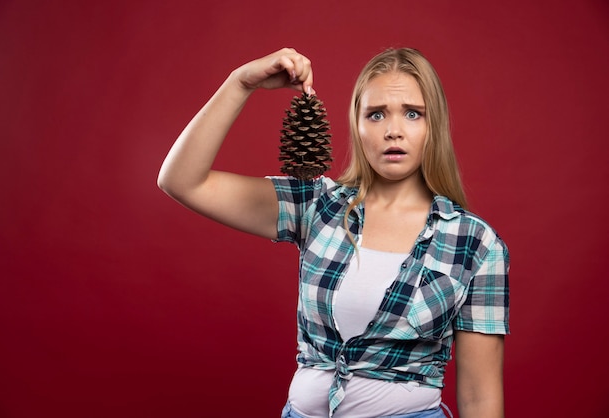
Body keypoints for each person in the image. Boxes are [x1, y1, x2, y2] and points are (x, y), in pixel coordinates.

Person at [157, 47, 509, 418]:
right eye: (375, 115)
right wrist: (240, 82)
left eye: (412, 113)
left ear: (433, 124)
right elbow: (181, 181)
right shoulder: (316, 205)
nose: (393, 130)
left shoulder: (476, 244)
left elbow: (479, 397)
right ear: (356, 126)